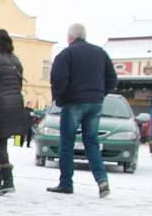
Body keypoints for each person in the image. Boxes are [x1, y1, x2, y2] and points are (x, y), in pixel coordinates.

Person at [48, 23, 117, 198]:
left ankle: (66, 183)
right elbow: (112, 78)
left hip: (73, 103)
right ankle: (102, 181)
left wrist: (60, 99)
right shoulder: (100, 53)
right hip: (95, 103)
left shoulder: (66, 54)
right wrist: (100, 93)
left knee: (67, 143)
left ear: (69, 38)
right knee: (92, 142)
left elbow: (58, 78)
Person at [0, 29, 26, 195]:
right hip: (16, 104)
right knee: (0, 142)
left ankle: (8, 180)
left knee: (0, 143)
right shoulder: (16, 60)